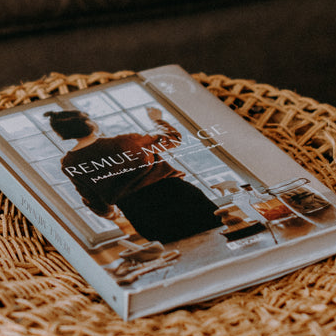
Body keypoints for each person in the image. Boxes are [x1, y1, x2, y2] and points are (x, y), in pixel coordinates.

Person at [46, 105, 223, 245]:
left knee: (185, 253)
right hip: (177, 194)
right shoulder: (126, 141)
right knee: (222, 236)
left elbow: (92, 198)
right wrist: (157, 120)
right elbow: (173, 138)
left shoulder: (69, 163)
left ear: (63, 134)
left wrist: (111, 215)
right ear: (90, 123)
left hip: (138, 210)